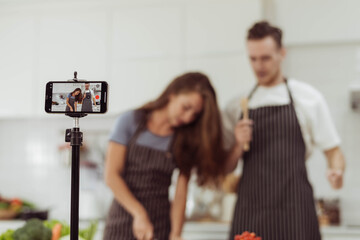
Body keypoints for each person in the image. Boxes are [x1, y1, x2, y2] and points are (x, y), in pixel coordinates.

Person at [223, 21, 346, 240]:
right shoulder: (238, 105)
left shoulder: (308, 98)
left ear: (282, 53)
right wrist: (237, 145)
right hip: (251, 211)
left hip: (295, 211)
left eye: (266, 58)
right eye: (253, 59)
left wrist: (336, 172)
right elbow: (224, 168)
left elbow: (333, 152)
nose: (259, 66)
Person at [103, 72, 226, 240]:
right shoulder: (130, 121)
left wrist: (176, 234)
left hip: (159, 225)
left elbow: (180, 193)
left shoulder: (185, 139)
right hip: (122, 219)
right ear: (172, 95)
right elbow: (111, 176)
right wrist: (139, 214)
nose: (188, 117)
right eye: (186, 107)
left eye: (195, 114)